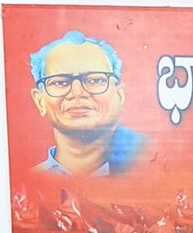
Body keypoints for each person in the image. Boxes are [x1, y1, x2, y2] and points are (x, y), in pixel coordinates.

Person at [30, 30, 148, 176]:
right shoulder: (27, 182)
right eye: (60, 82)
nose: (78, 92)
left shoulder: (153, 166)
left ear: (120, 95)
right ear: (40, 101)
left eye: (95, 80)